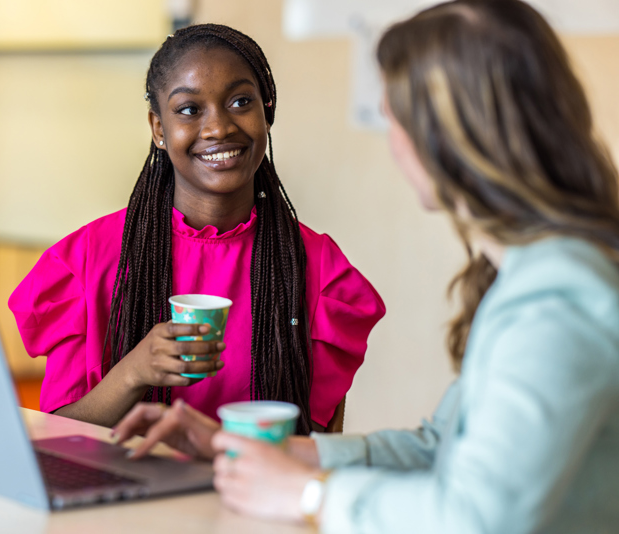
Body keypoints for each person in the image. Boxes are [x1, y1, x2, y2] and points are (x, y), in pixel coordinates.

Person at [112, 1, 619, 532]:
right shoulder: (539, 276)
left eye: (393, 112)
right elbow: (437, 446)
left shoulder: (556, 303)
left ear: (450, 133)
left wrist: (307, 493)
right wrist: (271, 453)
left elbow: (474, 519)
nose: (389, 133)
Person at [8, 24, 385, 433]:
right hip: (118, 497)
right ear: (158, 129)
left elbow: (316, 452)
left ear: (267, 112)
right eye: (189, 109)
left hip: (251, 495)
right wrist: (133, 372)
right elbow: (55, 440)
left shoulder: (316, 269)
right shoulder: (86, 260)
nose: (219, 127)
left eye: (241, 101)